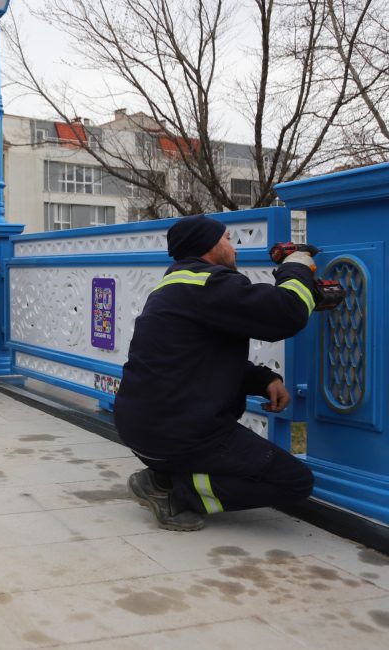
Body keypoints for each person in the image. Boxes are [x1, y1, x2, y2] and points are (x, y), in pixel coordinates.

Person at [114, 214, 320, 531]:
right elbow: (286, 312)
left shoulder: (172, 287)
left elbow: (200, 360)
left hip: (141, 431)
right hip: (180, 435)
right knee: (294, 481)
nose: (234, 248)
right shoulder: (209, 284)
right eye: (227, 239)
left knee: (247, 461)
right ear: (209, 246)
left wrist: (264, 379)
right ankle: (175, 493)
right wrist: (297, 266)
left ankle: (165, 474)